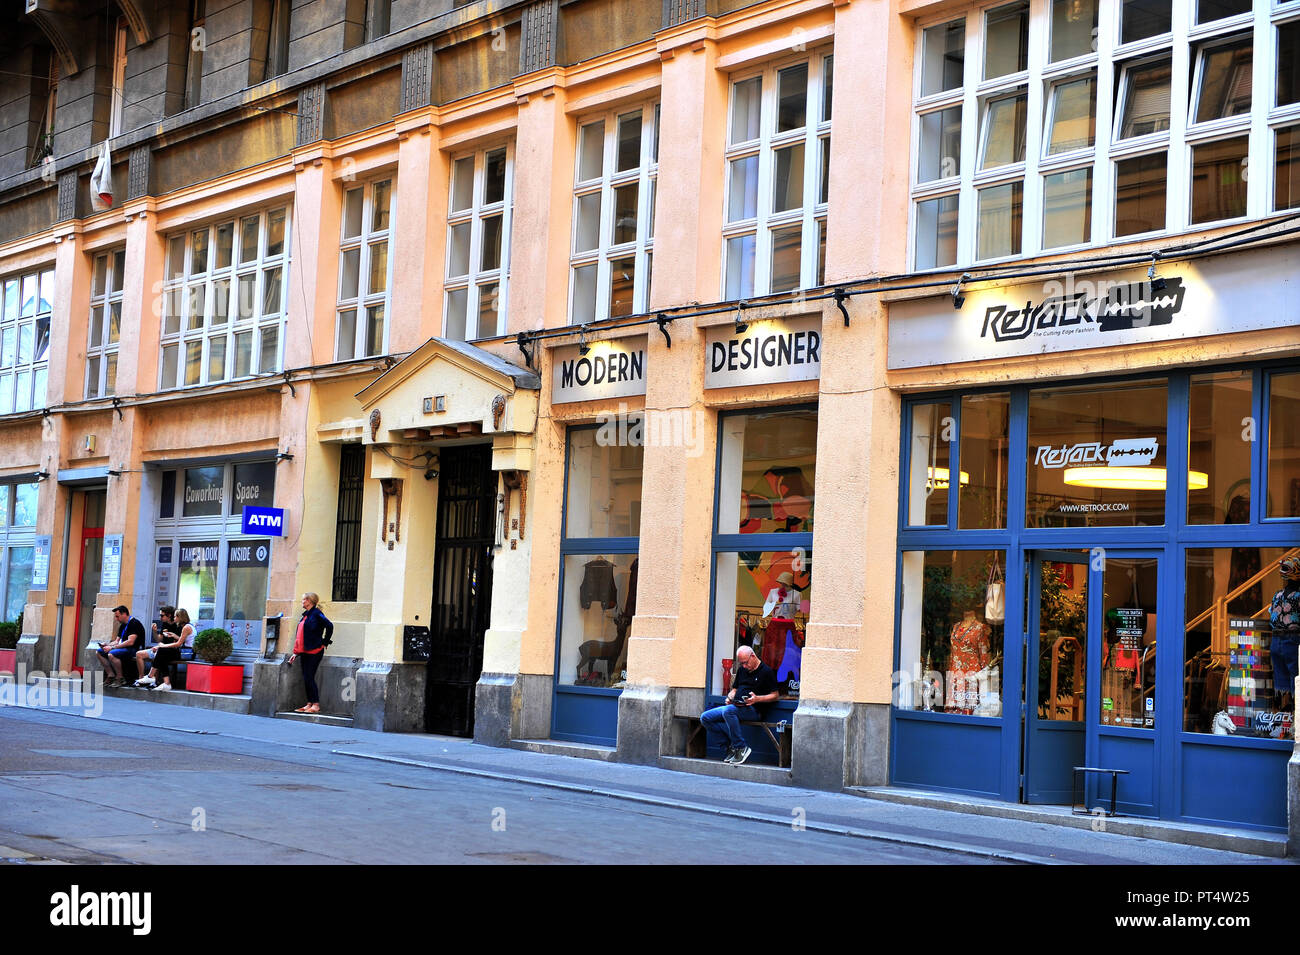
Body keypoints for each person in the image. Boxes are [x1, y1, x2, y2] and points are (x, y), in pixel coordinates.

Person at [699, 644, 778, 765]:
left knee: (728, 711)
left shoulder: (766, 671)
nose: (744, 666)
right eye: (742, 663)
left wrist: (757, 699)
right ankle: (730, 748)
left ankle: (741, 747)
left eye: (746, 662)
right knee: (705, 717)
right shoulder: (742, 670)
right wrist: (730, 697)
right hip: (736, 706)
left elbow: (775, 695)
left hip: (754, 710)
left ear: (753, 656)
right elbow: (734, 690)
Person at [289, 592, 333, 714]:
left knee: (309, 677)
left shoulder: (317, 614)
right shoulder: (305, 616)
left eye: (304, 600)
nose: (302, 602)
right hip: (304, 651)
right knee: (306, 678)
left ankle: (316, 704)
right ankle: (309, 703)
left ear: (309, 601)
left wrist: (325, 642)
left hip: (315, 651)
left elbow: (329, 626)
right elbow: (301, 636)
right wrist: (295, 653)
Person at [134, 607, 194, 692]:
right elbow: (181, 641)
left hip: (185, 653)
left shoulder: (186, 627)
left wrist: (161, 646)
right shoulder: (184, 626)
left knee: (161, 652)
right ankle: (166, 683)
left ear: (180, 617)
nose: (174, 618)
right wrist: (165, 638)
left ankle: (151, 677)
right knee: (162, 656)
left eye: (175, 617)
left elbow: (178, 644)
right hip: (182, 651)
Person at [1269, 556, 1300, 712]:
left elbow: (1271, 616)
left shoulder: (1277, 595)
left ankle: (1282, 716)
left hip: (1275, 641)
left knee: (1281, 682)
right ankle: (1295, 717)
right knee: (1296, 680)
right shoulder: (1298, 596)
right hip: (1292, 641)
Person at [96, 606, 146, 686]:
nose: (116, 619)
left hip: (133, 649)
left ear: (124, 614)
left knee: (111, 654)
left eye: (117, 616)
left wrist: (112, 648)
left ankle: (120, 678)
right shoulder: (123, 625)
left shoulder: (134, 623)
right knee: (99, 652)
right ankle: (111, 675)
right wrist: (107, 645)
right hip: (123, 648)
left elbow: (130, 642)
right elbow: (117, 641)